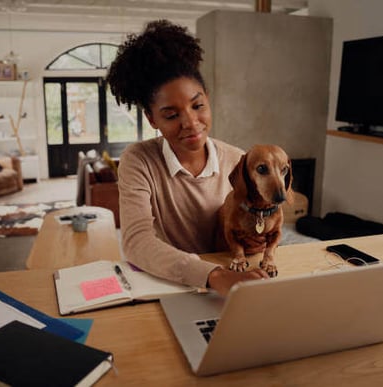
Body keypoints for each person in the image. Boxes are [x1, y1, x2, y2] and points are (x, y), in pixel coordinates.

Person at [106, 20, 269, 296]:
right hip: (170, 283)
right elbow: (136, 242)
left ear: (208, 98)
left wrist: (255, 239)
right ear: (151, 118)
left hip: (231, 282)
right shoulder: (139, 160)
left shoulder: (239, 160)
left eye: (198, 106)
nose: (191, 123)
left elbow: (255, 228)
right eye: (171, 115)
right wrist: (212, 276)